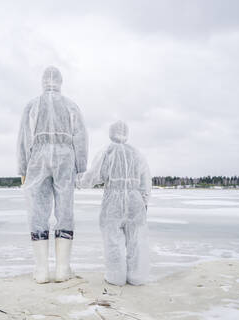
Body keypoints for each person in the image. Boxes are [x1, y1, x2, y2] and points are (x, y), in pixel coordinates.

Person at [17, 66, 88, 283]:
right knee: (64, 209)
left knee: (38, 210)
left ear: (42, 81)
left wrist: (23, 169)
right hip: (65, 157)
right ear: (60, 81)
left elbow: (24, 139)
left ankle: (41, 270)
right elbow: (81, 137)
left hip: (37, 158)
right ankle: (62, 269)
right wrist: (81, 166)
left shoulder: (32, 105)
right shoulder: (70, 105)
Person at [76, 121, 151, 286]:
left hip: (113, 202)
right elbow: (146, 181)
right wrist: (144, 201)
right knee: (136, 241)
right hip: (135, 201)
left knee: (113, 240)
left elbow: (93, 175)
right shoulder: (137, 154)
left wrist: (78, 182)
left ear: (111, 132)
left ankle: (115, 277)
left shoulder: (107, 151)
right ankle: (137, 277)